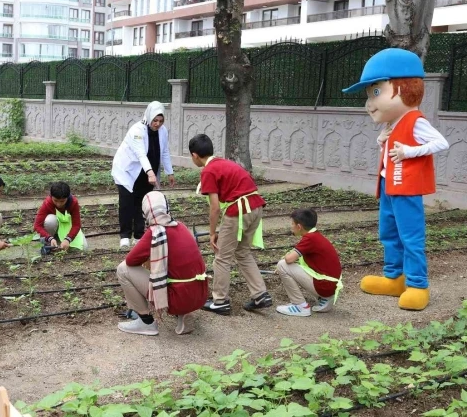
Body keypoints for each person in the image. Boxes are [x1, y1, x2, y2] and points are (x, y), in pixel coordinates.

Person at [342, 48, 449, 311]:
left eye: (376, 92)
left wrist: (409, 152)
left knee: (410, 237)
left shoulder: (415, 120)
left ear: (403, 88)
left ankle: (417, 284)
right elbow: (391, 154)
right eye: (369, 95)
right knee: (388, 233)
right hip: (388, 187)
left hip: (407, 189)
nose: (369, 103)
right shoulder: (391, 124)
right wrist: (383, 142)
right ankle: (394, 278)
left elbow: (441, 143)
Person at [189, 134, 270, 316]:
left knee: (222, 256)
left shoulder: (208, 171)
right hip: (256, 206)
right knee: (242, 252)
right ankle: (260, 294)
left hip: (239, 210)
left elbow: (215, 208)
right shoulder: (225, 163)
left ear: (194, 155)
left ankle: (220, 301)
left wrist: (211, 233)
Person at [116, 191, 208, 336]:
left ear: (145, 212)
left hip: (178, 298)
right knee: (177, 271)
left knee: (123, 269)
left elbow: (131, 261)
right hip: (200, 294)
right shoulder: (181, 226)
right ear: (167, 208)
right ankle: (183, 314)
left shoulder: (155, 232)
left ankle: (145, 322)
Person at [111, 101, 175, 249]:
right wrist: (151, 173)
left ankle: (139, 235)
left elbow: (164, 151)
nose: (157, 124)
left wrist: (169, 171)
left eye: (160, 121)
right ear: (149, 116)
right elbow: (140, 154)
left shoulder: (163, 131)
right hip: (127, 171)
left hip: (145, 173)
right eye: (155, 120)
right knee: (127, 202)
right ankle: (125, 236)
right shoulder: (137, 130)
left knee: (142, 202)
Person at [275, 209, 342, 317]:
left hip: (325, 286)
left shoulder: (309, 239)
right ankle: (325, 298)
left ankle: (300, 306)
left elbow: (288, 259)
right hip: (331, 284)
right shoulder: (316, 236)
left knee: (282, 265)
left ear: (299, 226)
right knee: (286, 265)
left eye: (292, 224)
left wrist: (286, 259)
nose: (291, 227)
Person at [33, 182, 87, 251]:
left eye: (62, 201)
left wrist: (68, 239)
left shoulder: (73, 202)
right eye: (55, 200)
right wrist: (49, 238)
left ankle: (61, 243)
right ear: (51, 196)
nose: (58, 204)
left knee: (84, 248)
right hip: (53, 230)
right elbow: (37, 226)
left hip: (67, 228)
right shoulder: (47, 203)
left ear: (67, 198)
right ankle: (49, 244)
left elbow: (76, 225)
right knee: (50, 220)